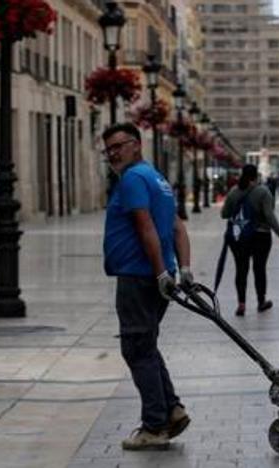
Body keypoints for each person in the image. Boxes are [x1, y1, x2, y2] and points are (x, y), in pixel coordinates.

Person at [101, 123, 192, 451]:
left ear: (136, 145)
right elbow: (177, 228)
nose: (113, 153)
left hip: (139, 276)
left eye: (118, 146)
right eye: (108, 149)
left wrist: (158, 273)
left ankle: (154, 426)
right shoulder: (157, 179)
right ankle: (172, 409)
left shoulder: (133, 179)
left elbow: (145, 226)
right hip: (154, 275)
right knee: (147, 344)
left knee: (136, 347)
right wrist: (184, 269)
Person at [222, 164, 279, 316]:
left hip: (240, 236)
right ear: (256, 176)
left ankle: (241, 304)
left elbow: (224, 214)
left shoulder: (234, 192)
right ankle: (261, 301)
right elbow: (269, 216)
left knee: (241, 269)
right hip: (261, 236)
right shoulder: (263, 192)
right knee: (259, 269)